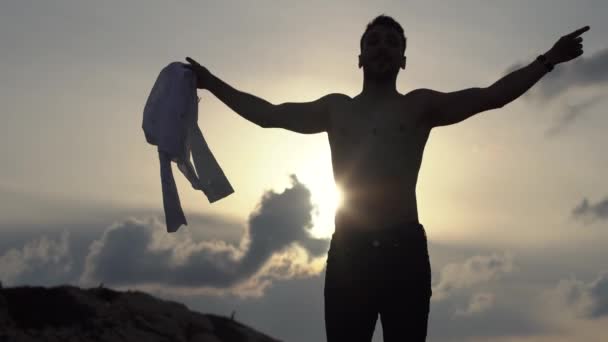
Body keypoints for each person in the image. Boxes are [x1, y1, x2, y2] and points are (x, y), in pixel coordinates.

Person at [184, 15, 589, 342]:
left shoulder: (419, 107)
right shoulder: (335, 109)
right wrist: (210, 82)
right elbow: (269, 115)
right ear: (359, 57)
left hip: (404, 252)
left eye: (392, 43)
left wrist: (548, 59)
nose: (382, 48)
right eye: (373, 42)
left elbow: (490, 96)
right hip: (349, 254)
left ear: (403, 60)